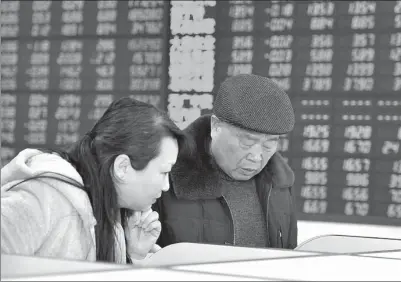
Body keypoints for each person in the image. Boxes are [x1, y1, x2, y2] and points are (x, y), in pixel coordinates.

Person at [1, 97, 190, 264]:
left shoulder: (110, 215)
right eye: (164, 172)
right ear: (122, 167)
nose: (166, 186)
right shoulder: (43, 197)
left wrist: (133, 256)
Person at [154, 74, 298, 249]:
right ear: (216, 127)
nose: (257, 156)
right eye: (247, 142)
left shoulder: (280, 184)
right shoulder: (165, 178)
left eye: (270, 143)